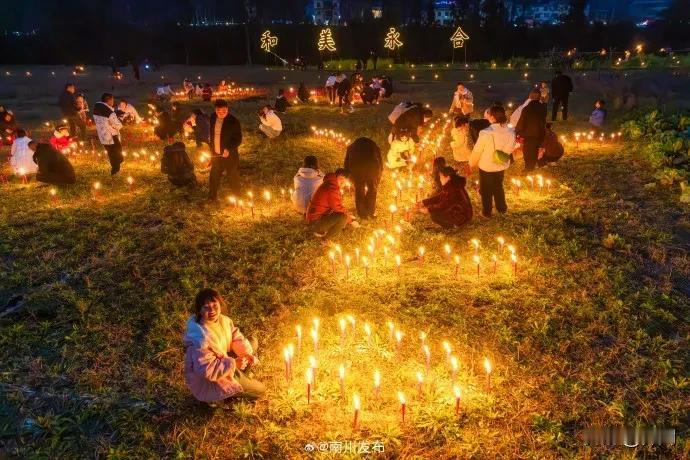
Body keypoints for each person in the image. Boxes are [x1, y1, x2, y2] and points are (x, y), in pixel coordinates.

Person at [183, 288, 265, 405]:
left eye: (215, 306)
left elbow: (235, 336)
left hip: (225, 359)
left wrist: (245, 354)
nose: (212, 311)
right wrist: (234, 364)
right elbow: (208, 370)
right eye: (206, 307)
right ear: (199, 310)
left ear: (220, 305)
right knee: (261, 390)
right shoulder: (199, 339)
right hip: (215, 380)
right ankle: (220, 398)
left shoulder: (223, 320)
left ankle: (242, 373)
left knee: (252, 342)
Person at [469, 105, 516, 218]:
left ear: (493, 117)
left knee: (486, 189)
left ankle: (487, 211)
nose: (487, 116)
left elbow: (477, 151)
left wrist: (471, 163)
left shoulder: (485, 133)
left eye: (488, 114)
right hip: (501, 165)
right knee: (498, 186)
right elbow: (510, 149)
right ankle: (502, 208)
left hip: (486, 166)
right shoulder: (510, 131)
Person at [306, 168, 357, 239]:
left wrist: (348, 213)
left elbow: (337, 205)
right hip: (315, 222)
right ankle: (326, 239)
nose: (345, 184)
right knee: (342, 218)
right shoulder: (332, 188)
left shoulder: (330, 183)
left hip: (316, 218)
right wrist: (351, 221)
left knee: (344, 216)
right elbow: (337, 208)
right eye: (345, 182)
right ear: (341, 178)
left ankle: (322, 229)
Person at [208, 99, 242, 201]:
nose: (221, 113)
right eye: (218, 111)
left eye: (224, 111)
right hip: (216, 155)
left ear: (227, 109)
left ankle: (237, 198)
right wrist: (211, 149)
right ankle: (212, 196)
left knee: (232, 177)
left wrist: (228, 148)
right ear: (215, 110)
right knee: (214, 176)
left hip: (229, 155)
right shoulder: (213, 117)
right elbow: (212, 134)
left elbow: (238, 139)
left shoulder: (233, 121)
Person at [344, 137, 383, 220]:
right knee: (372, 189)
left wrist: (348, 174)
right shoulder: (374, 145)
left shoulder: (351, 147)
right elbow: (380, 161)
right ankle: (370, 211)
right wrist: (379, 174)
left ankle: (362, 213)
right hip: (372, 169)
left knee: (359, 190)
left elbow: (346, 162)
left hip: (357, 170)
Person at [515, 90, 547, 171]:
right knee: (539, 149)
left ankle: (529, 167)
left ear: (530, 97)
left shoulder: (526, 108)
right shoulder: (543, 107)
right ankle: (541, 164)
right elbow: (543, 119)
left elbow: (522, 120)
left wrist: (518, 131)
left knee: (528, 151)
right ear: (539, 97)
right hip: (540, 132)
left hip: (528, 134)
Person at [93, 93, 124, 175]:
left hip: (102, 135)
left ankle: (115, 169)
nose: (113, 101)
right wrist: (120, 119)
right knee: (117, 153)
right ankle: (115, 170)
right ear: (109, 100)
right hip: (111, 135)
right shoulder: (109, 112)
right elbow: (118, 125)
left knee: (111, 153)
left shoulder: (96, 108)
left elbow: (105, 120)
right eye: (112, 100)